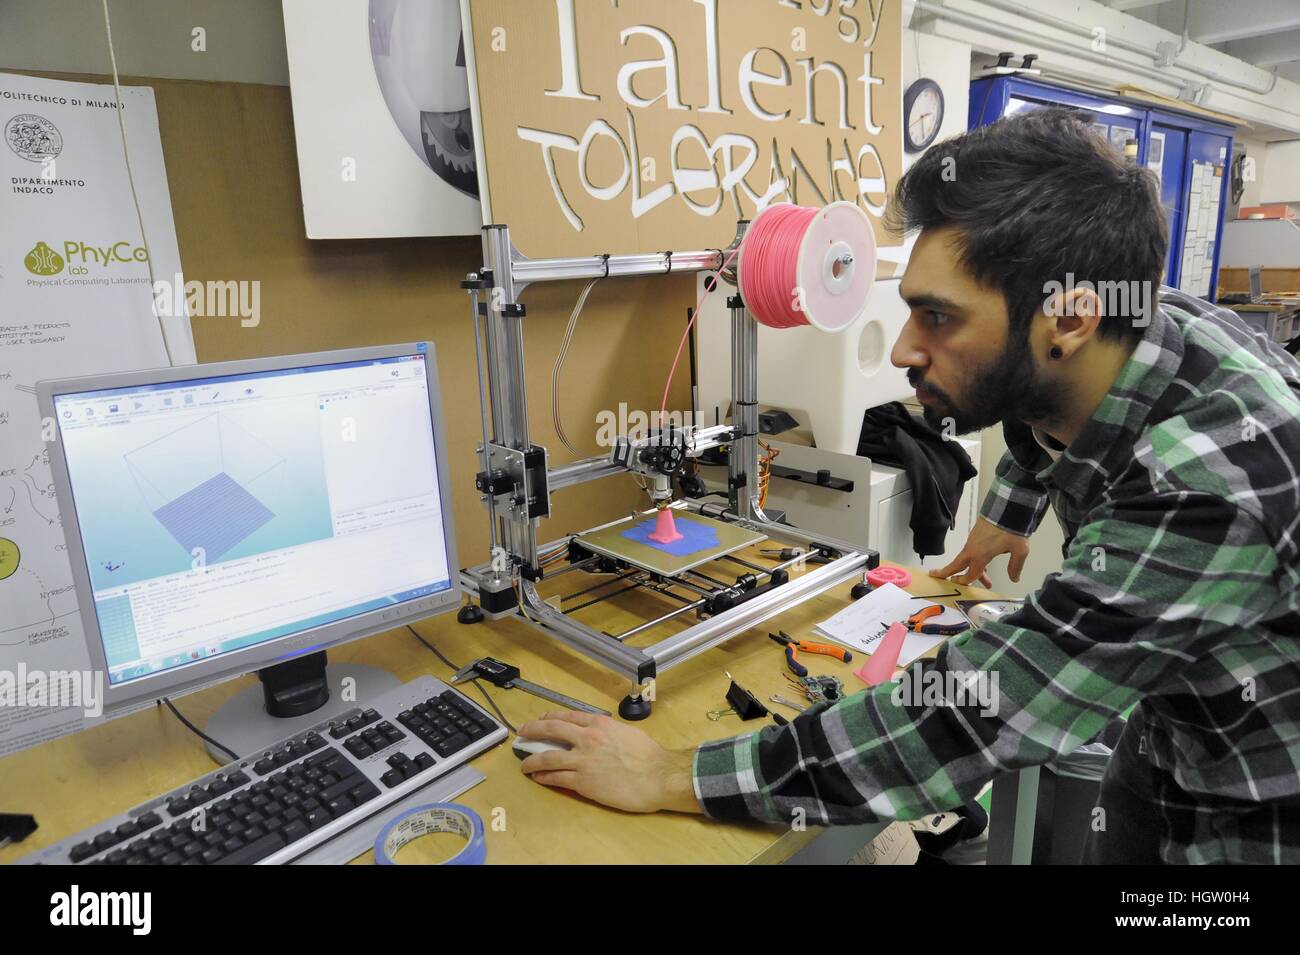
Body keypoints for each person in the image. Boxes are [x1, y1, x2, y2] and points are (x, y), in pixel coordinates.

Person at [516, 107, 1300, 864]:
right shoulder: (1156, 329)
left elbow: (973, 714)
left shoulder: (1205, 491)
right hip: (1173, 729)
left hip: (1252, 804)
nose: (902, 348)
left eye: (938, 317)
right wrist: (1011, 510)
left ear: (1068, 319)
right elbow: (1053, 410)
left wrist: (673, 772)